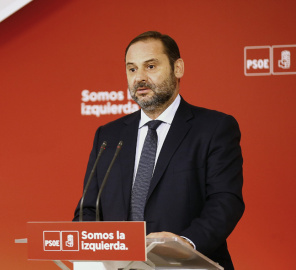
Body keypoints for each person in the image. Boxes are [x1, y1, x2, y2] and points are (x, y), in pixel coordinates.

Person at [73, 31, 244, 269]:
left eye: (150, 66)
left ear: (178, 68)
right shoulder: (108, 136)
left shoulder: (214, 128)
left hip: (186, 266)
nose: (139, 77)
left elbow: (225, 200)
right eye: (132, 69)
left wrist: (184, 244)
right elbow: (88, 209)